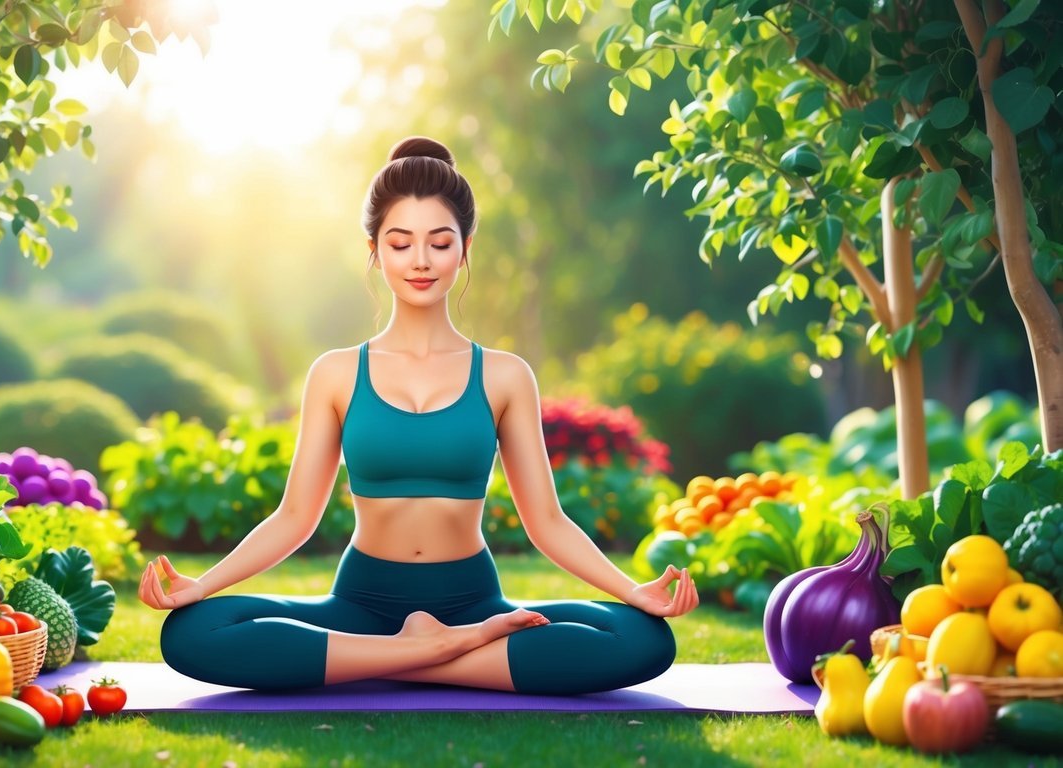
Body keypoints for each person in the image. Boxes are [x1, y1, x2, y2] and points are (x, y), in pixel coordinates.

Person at [138, 136, 698, 695]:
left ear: (465, 246)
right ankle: (442, 649)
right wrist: (202, 586)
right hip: (361, 602)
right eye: (401, 243)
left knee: (642, 638)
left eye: (440, 241)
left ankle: (403, 654)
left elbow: (546, 522)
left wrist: (634, 592)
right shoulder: (336, 373)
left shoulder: (504, 375)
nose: (422, 261)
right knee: (194, 630)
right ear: (375, 250)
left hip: (473, 600)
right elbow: (295, 517)